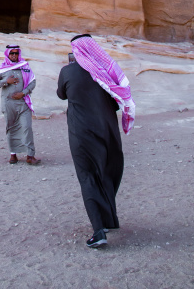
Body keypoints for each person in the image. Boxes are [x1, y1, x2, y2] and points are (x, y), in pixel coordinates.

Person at [57, 34, 135, 248]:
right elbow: (119, 99)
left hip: (82, 132)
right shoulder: (107, 71)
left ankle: (99, 230)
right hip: (108, 130)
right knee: (108, 172)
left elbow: (61, 94)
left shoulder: (68, 71)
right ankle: (109, 220)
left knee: (88, 176)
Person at [0, 44, 41, 165]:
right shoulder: (3, 68)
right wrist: (5, 82)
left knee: (27, 127)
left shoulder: (25, 66)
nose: (14, 55)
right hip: (9, 103)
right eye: (11, 53)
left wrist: (23, 93)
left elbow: (33, 82)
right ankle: (13, 154)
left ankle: (30, 155)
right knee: (11, 127)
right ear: (7, 54)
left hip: (23, 102)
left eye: (16, 53)